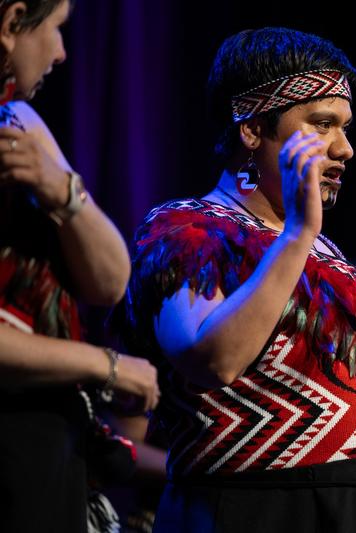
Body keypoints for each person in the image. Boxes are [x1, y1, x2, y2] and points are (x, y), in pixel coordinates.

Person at [116, 27, 356, 533]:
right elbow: (212, 360)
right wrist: (297, 236)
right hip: (256, 513)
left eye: (346, 128)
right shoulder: (187, 230)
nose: (344, 148)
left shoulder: (330, 257)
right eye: (323, 124)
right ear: (253, 128)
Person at [0, 1, 160, 532]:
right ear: (10, 23)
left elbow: (111, 279)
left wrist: (62, 191)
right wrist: (105, 365)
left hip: (45, 437)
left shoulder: (15, 121)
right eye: (56, 28)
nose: (62, 51)